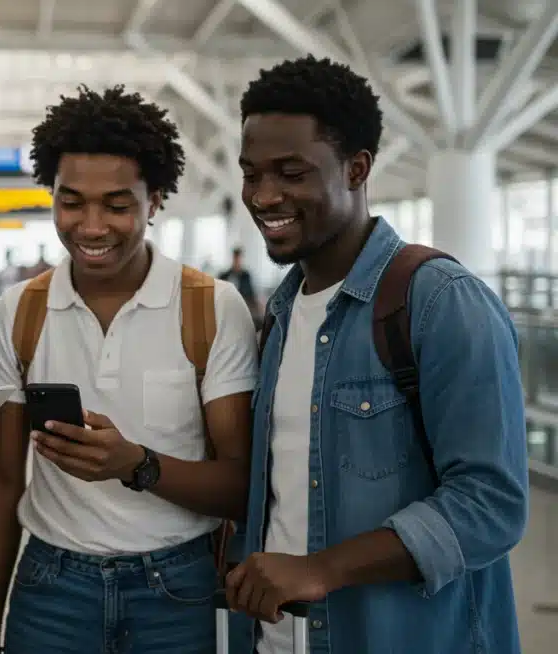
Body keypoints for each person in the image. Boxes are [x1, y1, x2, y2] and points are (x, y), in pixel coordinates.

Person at [225, 55, 527, 654]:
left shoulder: (441, 302)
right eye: (251, 174)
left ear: (357, 168)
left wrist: (322, 568)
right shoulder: (280, 317)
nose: (264, 196)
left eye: (291, 173)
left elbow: (491, 504)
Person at [0, 85, 258, 654]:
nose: (91, 225)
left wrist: (137, 464)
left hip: (175, 593)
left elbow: (239, 484)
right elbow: (3, 480)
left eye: (117, 205)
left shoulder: (210, 307)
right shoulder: (19, 312)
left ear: (154, 202)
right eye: (71, 201)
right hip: (51, 590)